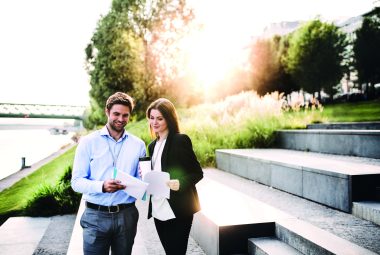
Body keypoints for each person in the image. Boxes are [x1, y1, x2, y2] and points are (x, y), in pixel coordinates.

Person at [71, 92, 146, 255]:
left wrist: (148, 181)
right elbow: (76, 182)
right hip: (95, 216)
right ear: (107, 111)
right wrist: (102, 186)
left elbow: (142, 182)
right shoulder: (88, 142)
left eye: (125, 115)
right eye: (116, 114)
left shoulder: (139, 145)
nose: (121, 119)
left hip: (127, 216)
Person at [146, 98, 203, 255]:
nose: (154, 122)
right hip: (158, 208)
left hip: (177, 209)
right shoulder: (152, 146)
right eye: (151, 118)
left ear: (169, 118)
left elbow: (197, 172)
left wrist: (180, 182)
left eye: (160, 118)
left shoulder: (180, 140)